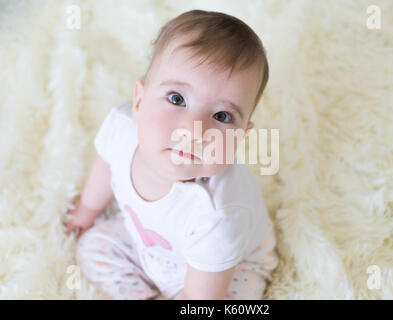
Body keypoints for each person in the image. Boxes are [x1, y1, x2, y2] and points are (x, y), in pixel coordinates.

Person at [63, 9, 278, 300]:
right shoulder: (121, 128)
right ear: (138, 102)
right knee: (92, 247)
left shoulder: (219, 214)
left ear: (241, 136)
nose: (194, 130)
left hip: (227, 269)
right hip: (152, 246)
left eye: (222, 116)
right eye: (177, 99)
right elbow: (105, 166)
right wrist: (87, 211)